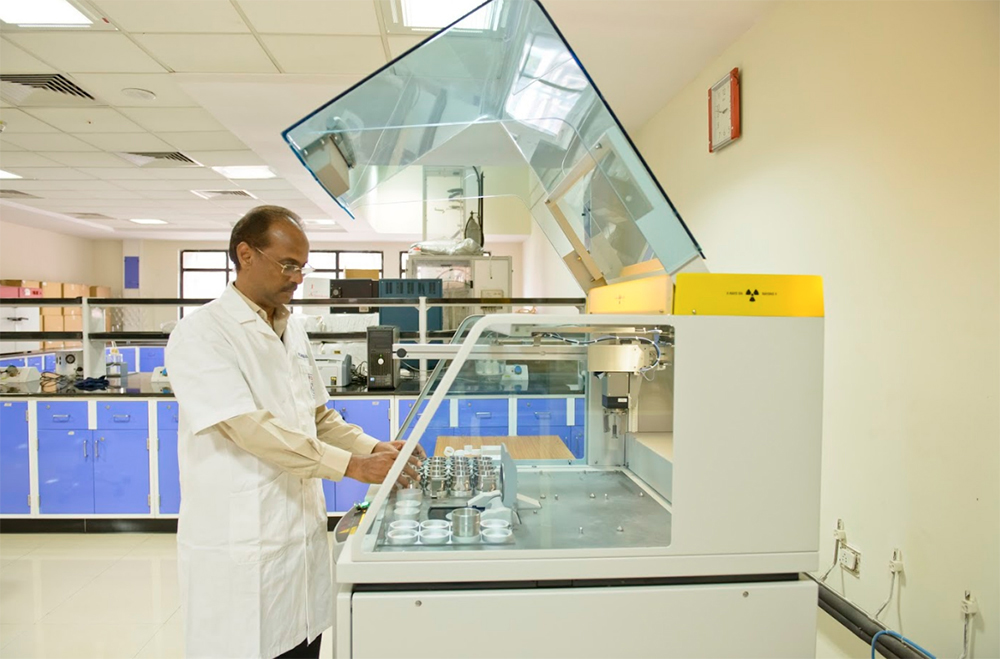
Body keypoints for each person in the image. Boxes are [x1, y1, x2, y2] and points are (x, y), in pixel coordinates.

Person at [165, 205, 423, 659]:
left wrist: (375, 447)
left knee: (301, 646)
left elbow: (317, 417)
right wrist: (354, 466)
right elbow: (249, 429)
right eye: (288, 265)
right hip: (241, 548)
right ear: (246, 254)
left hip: (298, 547)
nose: (298, 278)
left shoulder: (292, 329)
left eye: (303, 266)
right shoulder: (202, 333)